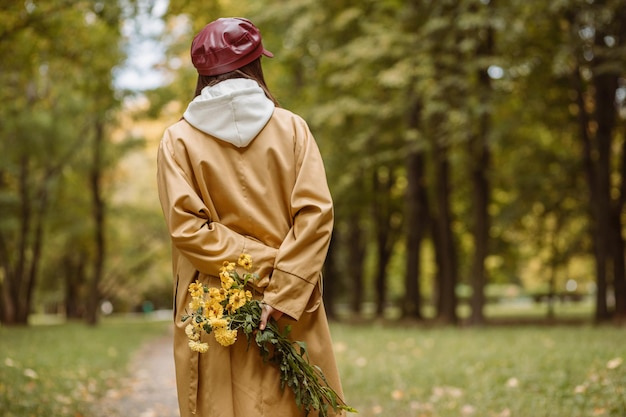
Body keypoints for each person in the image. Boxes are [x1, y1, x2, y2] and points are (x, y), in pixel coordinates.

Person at [156, 17, 345, 417]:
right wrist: (284, 281)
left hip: (213, 304)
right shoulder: (292, 128)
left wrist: (252, 270)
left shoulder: (178, 140)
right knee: (293, 403)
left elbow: (187, 228)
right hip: (291, 301)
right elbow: (316, 214)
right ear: (256, 64)